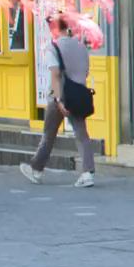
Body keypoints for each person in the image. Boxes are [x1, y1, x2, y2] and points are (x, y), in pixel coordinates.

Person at [19, 12, 98, 189]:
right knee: (82, 134)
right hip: (79, 96)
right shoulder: (81, 47)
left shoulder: (53, 48)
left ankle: (36, 169)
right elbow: (85, 72)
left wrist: (57, 99)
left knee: (49, 134)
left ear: (54, 28)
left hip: (60, 97)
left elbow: (55, 74)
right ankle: (88, 173)